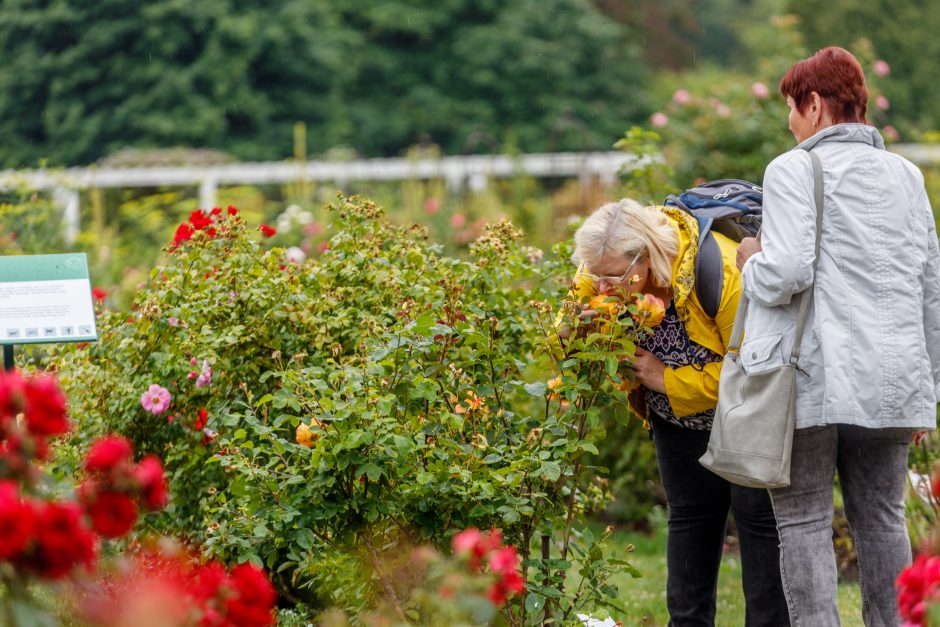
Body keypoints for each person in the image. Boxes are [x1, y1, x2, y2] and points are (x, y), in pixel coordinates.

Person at [735, 46, 939, 626]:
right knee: (882, 519)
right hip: (897, 377)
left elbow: (787, 272)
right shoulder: (908, 175)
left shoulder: (792, 168)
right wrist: (930, 388)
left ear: (817, 104)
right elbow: (931, 287)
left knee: (802, 521)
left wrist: (752, 257)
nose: (791, 125)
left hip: (812, 378)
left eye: (794, 111)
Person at [567, 199, 789, 626]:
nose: (601, 288)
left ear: (646, 257)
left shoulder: (721, 275)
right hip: (676, 422)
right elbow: (568, 331)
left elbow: (752, 368)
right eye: (593, 276)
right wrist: (571, 333)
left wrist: (666, 380)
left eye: (613, 277)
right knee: (689, 523)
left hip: (746, 416)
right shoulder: (603, 266)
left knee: (758, 528)